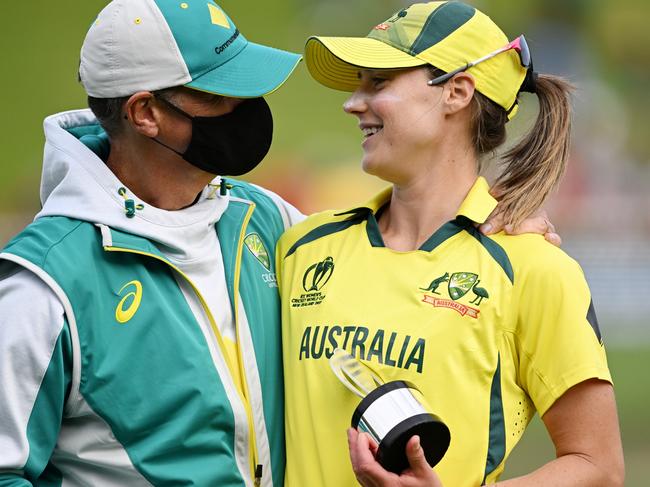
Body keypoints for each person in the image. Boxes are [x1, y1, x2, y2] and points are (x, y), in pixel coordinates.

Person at [0, 0, 557, 485]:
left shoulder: (267, 220)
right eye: (221, 94)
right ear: (146, 113)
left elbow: (386, 254)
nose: (248, 108)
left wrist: (497, 225)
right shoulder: (43, 284)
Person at [277, 2, 624, 487]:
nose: (353, 103)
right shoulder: (300, 247)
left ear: (456, 92)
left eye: (378, 82)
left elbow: (599, 467)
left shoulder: (534, 268)